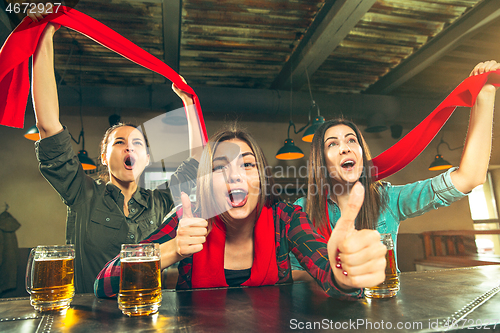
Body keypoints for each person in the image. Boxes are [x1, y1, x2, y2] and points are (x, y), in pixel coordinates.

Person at [95, 125, 387, 299]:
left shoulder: (285, 218)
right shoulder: (190, 217)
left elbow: (330, 274)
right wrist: (173, 249)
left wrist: (345, 276)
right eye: (221, 167)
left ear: (261, 178)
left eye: (247, 165)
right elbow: (103, 283)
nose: (235, 176)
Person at [29, 15, 203, 292]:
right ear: (103, 156)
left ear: (146, 158)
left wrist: (189, 104)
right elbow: (48, 126)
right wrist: (46, 32)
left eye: (137, 144)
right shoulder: (82, 193)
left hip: (147, 312)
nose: (129, 147)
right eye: (119, 142)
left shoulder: (160, 203)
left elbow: (196, 164)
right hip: (89, 317)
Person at [291, 60, 499, 278]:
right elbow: (295, 274)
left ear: (362, 155)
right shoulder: (303, 209)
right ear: (320, 161)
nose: (345, 148)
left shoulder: (387, 199)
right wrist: (338, 275)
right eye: (332, 144)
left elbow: (469, 178)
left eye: (352, 140)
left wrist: (484, 97)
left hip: (383, 304)